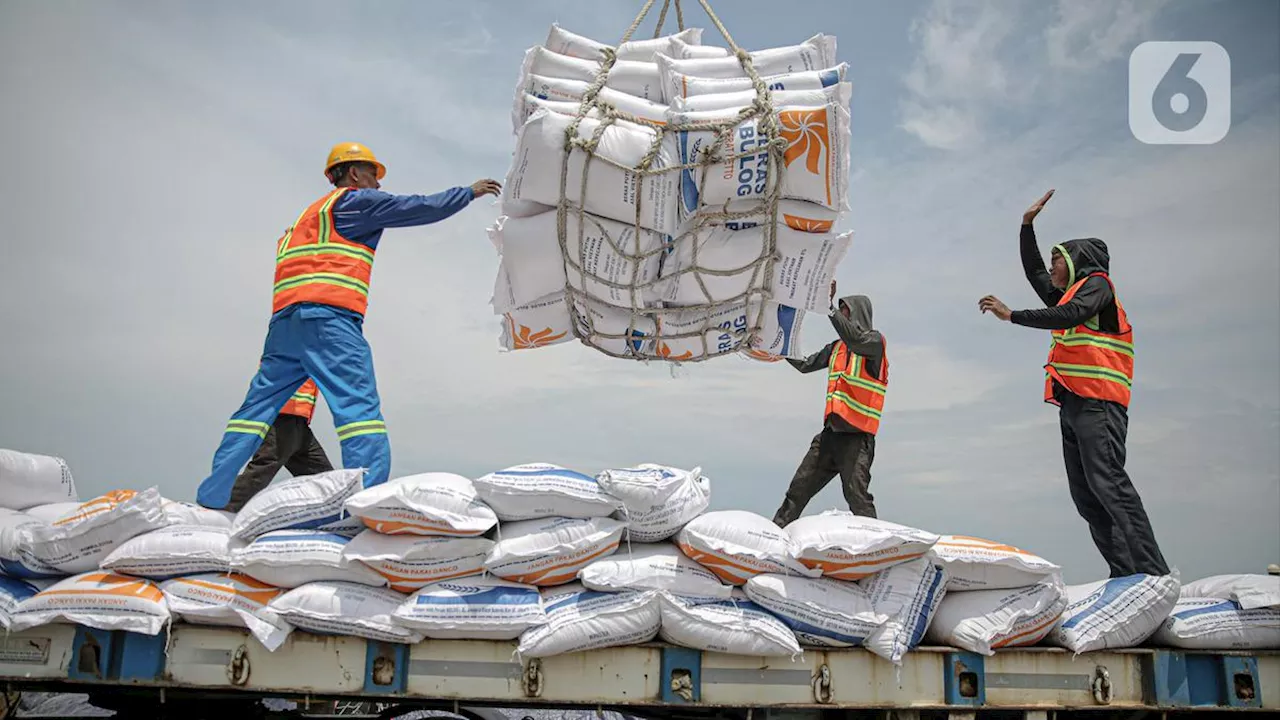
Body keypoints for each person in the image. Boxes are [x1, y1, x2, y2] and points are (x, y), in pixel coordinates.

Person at [196, 142, 502, 510]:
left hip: (283, 326)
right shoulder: (355, 202)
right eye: (373, 173)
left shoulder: (304, 220)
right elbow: (417, 207)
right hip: (329, 322)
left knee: (252, 414)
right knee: (359, 411)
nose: (377, 183)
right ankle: (367, 503)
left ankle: (212, 497)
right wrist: (467, 193)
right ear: (354, 174)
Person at [978, 189, 1170, 578]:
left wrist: (1011, 315)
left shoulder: (1098, 285)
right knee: (1086, 495)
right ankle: (1125, 573)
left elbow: (1069, 314)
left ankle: (1153, 574)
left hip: (1099, 403)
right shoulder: (1067, 291)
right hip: (1074, 404)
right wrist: (1026, 226)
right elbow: (1036, 275)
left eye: (1056, 261)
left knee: (1110, 484)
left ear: (1075, 262)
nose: (1050, 268)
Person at [772, 280, 888, 526]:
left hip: (856, 440)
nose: (842, 318)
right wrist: (779, 347)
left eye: (845, 311)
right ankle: (774, 535)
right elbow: (805, 364)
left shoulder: (874, 344)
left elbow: (855, 338)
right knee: (798, 490)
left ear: (858, 314)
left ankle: (877, 550)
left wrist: (828, 307)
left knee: (857, 498)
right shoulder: (837, 348)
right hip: (830, 437)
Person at [222, 378, 334, 513]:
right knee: (264, 468)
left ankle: (340, 511)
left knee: (324, 478)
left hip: (300, 422)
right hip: (281, 418)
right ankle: (224, 507)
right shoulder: (297, 356)